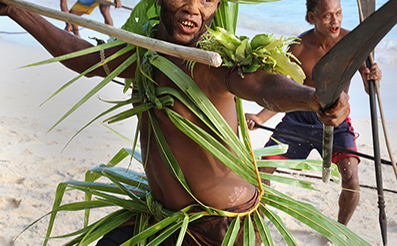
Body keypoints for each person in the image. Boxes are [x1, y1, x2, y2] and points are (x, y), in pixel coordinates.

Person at [0, 0, 351, 244]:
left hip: (222, 228)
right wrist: (14, 10)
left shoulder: (218, 63)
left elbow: (264, 86)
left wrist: (311, 98)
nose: (193, 9)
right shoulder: (141, 55)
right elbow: (82, 57)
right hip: (161, 219)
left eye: (207, 1)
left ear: (217, 8)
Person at [245, 0, 382, 227]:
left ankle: (339, 230)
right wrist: (260, 117)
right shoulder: (297, 48)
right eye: (327, 15)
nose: (336, 20)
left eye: (339, 13)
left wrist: (373, 79)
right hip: (298, 118)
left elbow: (370, 90)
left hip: (336, 119)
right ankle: (261, 223)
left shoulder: (355, 43)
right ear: (312, 17)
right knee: (260, 172)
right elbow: (282, 92)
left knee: (352, 181)